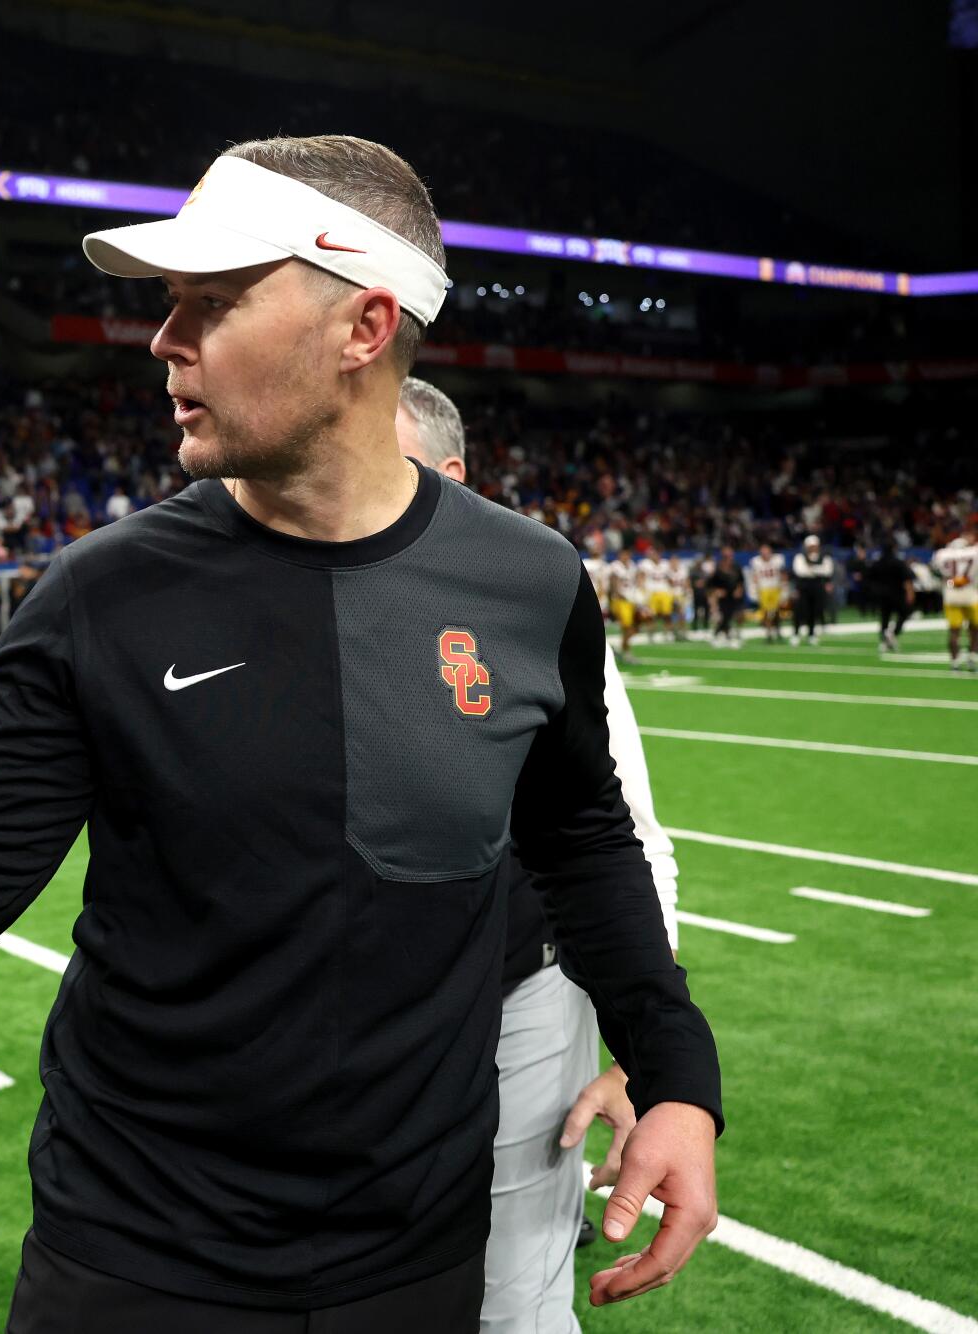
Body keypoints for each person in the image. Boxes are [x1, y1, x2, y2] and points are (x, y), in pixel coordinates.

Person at [0, 135, 721, 1332]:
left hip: (415, 1252)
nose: (162, 340)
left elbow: (580, 843)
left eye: (212, 302)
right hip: (137, 1257)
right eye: (168, 305)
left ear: (363, 327)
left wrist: (676, 1078)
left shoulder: (527, 582)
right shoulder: (97, 594)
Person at [398, 377, 681, 1333]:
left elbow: (625, 833)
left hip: (526, 988)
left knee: (513, 1300)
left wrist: (640, 1059)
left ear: (452, 477)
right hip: (371, 1015)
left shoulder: (529, 598)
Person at [929, 525, 977, 670]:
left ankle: (954, 662)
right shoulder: (974, 552)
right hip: (970, 593)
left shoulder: (942, 554)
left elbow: (934, 571)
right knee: (975, 629)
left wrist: (949, 581)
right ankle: (973, 658)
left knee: (954, 631)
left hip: (951, 594)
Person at [867, 541, 917, 653]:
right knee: (904, 613)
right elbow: (907, 579)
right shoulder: (898, 562)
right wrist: (910, 593)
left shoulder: (877, 562)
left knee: (884, 618)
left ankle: (884, 641)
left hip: (882, 595)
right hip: (897, 594)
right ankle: (892, 634)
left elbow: (869, 578)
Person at [790, 535, 835, 646]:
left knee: (814, 612)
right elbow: (800, 571)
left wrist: (811, 569)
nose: (813, 548)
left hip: (817, 587)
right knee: (800, 611)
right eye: (811, 546)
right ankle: (796, 634)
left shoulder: (824, 557)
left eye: (815, 546)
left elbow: (828, 571)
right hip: (803, 587)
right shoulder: (800, 557)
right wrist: (817, 570)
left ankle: (811, 634)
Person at [608, 547, 644, 663]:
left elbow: (636, 580)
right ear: (620, 555)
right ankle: (626, 653)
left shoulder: (632, 565)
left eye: (628, 554)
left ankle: (620, 649)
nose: (626, 557)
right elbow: (613, 582)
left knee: (636, 627)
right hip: (621, 601)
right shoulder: (616, 566)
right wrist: (617, 594)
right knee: (628, 627)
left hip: (631, 600)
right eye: (624, 554)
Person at [706, 547, 746, 648]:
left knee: (736, 615)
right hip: (723, 597)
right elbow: (710, 584)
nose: (729, 557)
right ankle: (720, 635)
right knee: (725, 616)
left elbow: (741, 581)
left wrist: (739, 589)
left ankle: (729, 634)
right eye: (726, 555)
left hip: (735, 596)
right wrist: (717, 591)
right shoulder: (718, 568)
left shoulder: (736, 566)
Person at [749, 543, 786, 642]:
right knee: (766, 612)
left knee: (777, 612)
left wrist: (784, 589)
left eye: (767, 551)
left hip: (775, 588)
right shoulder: (756, 561)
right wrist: (754, 590)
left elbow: (783, 575)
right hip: (764, 589)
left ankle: (778, 631)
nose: (765, 553)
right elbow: (755, 577)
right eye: (763, 551)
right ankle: (768, 634)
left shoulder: (778, 559)